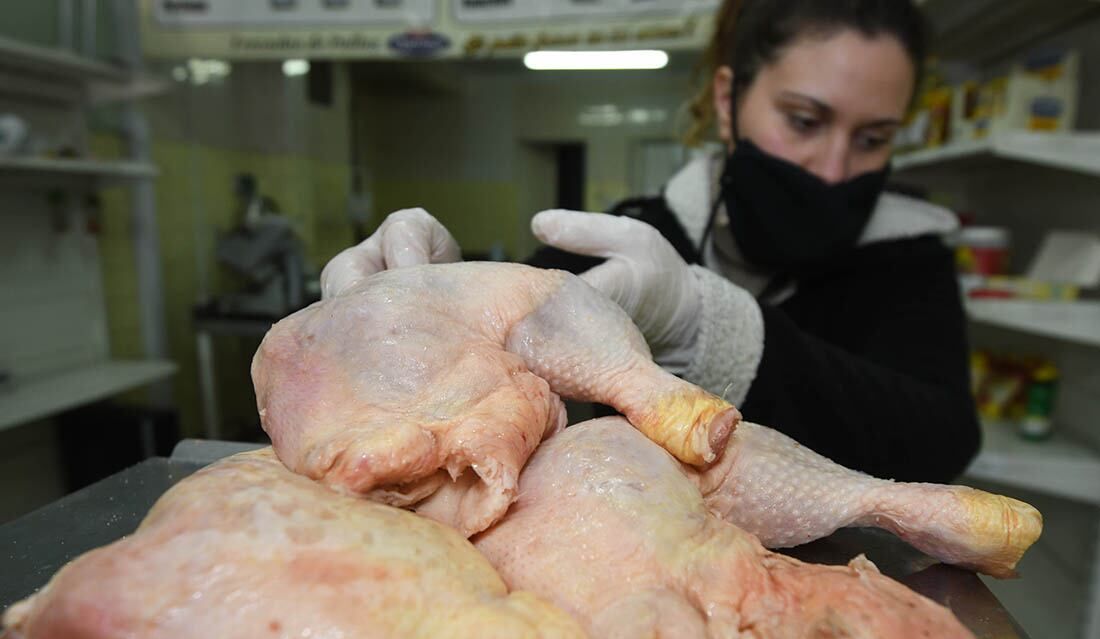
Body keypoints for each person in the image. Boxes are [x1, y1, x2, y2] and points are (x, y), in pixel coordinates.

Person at [323, 0, 980, 484]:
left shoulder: (908, 262)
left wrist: (706, 327)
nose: (834, 169)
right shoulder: (640, 234)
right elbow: (510, 343)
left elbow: (939, 439)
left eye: (873, 138)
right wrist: (433, 306)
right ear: (728, 101)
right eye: (804, 121)